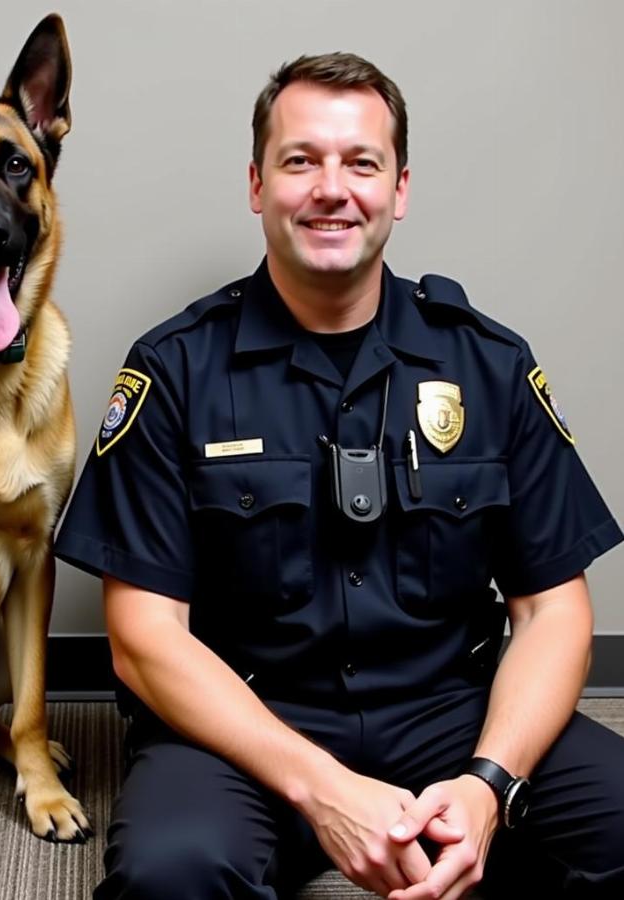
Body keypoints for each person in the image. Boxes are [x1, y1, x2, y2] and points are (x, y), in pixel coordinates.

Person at [55, 52, 624, 899]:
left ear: (399, 188)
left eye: (361, 163)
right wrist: (322, 789)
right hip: (243, 730)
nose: (332, 188)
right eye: (300, 161)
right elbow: (146, 642)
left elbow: (553, 612)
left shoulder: (489, 364)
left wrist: (490, 783)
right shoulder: (174, 370)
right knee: (168, 877)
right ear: (257, 185)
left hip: (450, 717)